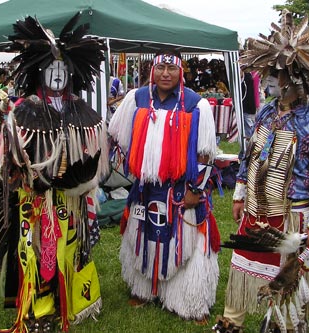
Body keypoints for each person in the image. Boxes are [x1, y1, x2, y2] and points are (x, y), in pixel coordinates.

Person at [0, 13, 109, 332]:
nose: (58, 75)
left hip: (70, 203)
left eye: (64, 69)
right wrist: (36, 176)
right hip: (35, 203)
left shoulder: (83, 111)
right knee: (38, 253)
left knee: (72, 247)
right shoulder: (23, 111)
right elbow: (9, 163)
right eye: (51, 69)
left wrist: (78, 180)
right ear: (39, 71)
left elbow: (94, 156)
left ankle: (71, 300)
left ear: (73, 72)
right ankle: (40, 306)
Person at [214, 10, 309, 332]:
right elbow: (250, 154)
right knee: (241, 269)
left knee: (288, 279)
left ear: (299, 78)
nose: (270, 78)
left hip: (294, 215)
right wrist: (241, 193)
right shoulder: (267, 112)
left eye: (278, 72)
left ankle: (285, 325)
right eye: (269, 70)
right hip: (258, 208)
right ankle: (231, 322)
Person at [108, 49, 220, 323]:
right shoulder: (136, 99)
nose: (166, 74)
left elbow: (205, 153)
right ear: (152, 70)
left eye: (171, 69)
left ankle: (187, 300)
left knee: (187, 242)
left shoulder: (196, 104)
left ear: (180, 72)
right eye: (161, 68)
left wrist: (197, 189)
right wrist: (132, 167)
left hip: (182, 189)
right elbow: (117, 138)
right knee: (141, 236)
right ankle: (144, 289)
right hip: (145, 188)